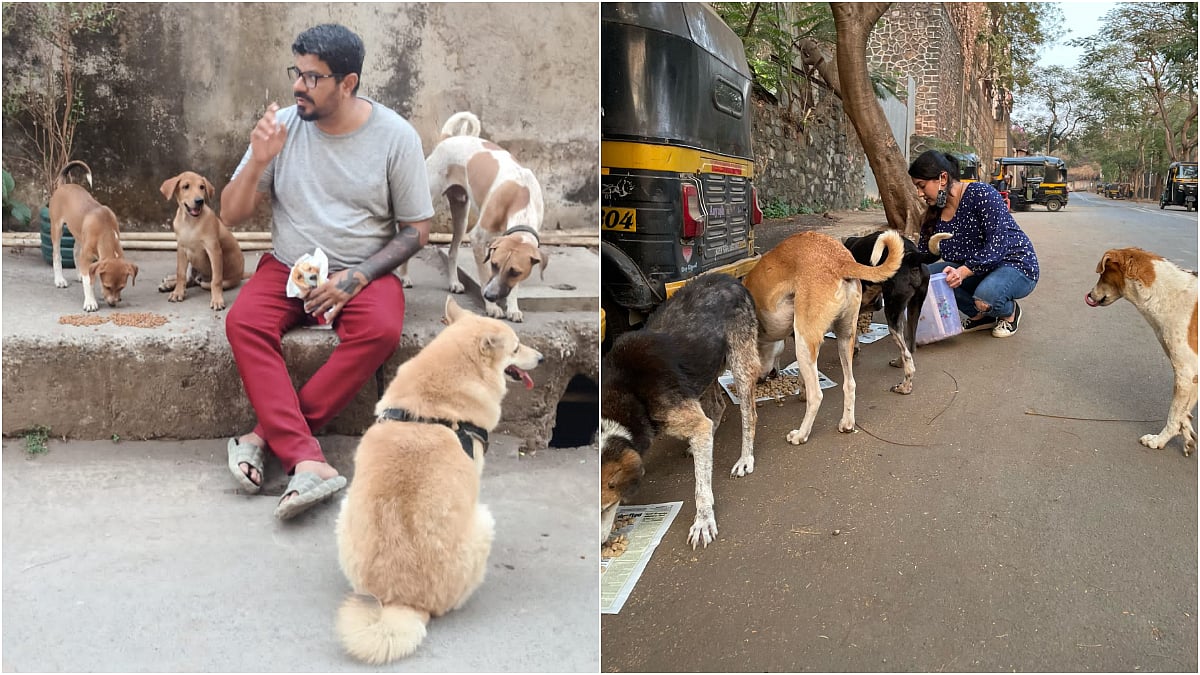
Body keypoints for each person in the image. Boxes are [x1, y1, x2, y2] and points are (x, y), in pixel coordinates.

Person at [220, 23, 434, 520]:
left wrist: (357, 277)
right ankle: (306, 459)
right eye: (296, 72)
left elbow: (418, 229)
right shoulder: (283, 129)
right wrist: (257, 162)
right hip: (287, 265)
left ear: (348, 82)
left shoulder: (395, 137)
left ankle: (263, 438)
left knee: (380, 329)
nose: (298, 86)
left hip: (361, 269)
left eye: (313, 77)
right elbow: (229, 214)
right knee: (243, 322)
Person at [908, 150, 1038, 338]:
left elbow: (997, 247)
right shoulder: (933, 215)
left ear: (942, 178)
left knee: (986, 298)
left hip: (1014, 264)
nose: (919, 194)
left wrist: (962, 272)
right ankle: (982, 317)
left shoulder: (981, 194)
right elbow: (924, 256)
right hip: (977, 270)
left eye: (921, 186)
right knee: (924, 277)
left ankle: (1009, 312)